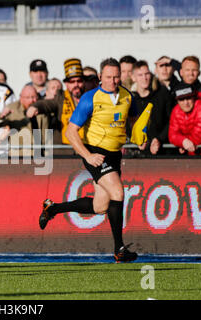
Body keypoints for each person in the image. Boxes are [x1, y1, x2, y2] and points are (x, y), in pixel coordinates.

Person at [39, 58, 139, 263]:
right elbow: (71, 131)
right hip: (95, 153)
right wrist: (88, 155)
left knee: (100, 206)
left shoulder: (127, 96)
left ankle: (53, 208)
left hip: (114, 154)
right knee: (118, 192)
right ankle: (119, 249)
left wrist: (143, 136)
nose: (113, 81)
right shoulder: (90, 98)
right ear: (100, 77)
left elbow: (135, 121)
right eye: (109, 77)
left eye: (117, 77)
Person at [28, 58, 86, 146]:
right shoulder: (61, 97)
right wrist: (35, 106)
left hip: (87, 147)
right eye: (72, 81)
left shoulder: (90, 97)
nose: (76, 85)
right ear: (66, 84)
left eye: (79, 81)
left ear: (84, 82)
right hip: (65, 149)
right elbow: (48, 104)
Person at [130, 60, 174, 155]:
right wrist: (136, 140)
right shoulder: (129, 99)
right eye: (140, 75)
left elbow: (172, 120)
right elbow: (127, 125)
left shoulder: (162, 94)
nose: (144, 78)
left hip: (163, 149)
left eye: (147, 74)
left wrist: (159, 139)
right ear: (133, 78)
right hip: (138, 153)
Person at [0, 84, 50, 156]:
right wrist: (0, 117)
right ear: (21, 98)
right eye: (29, 97)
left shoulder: (41, 108)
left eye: (35, 97)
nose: (33, 100)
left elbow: (46, 136)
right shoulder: (12, 108)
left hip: (39, 154)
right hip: (19, 155)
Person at [168, 83, 201, 156]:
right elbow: (172, 135)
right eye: (181, 99)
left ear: (194, 97)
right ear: (177, 101)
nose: (186, 102)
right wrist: (183, 141)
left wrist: (182, 143)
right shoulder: (176, 110)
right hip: (189, 155)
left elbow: (198, 137)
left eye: (188, 98)